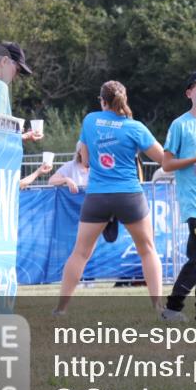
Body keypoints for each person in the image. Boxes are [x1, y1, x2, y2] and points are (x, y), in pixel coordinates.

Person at [54, 80, 166, 315]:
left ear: (103, 101)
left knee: (80, 252)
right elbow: (163, 159)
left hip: (98, 196)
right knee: (147, 250)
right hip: (129, 195)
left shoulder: (90, 120)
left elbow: (84, 162)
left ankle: (61, 309)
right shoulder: (135, 127)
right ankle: (158, 307)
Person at [160, 70, 196, 323]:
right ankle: (172, 307)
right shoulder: (181, 125)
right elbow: (167, 164)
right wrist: (195, 159)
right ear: (189, 92)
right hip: (195, 203)